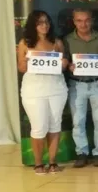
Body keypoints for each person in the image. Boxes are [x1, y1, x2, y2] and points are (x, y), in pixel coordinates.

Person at [17, 10, 69, 175]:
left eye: (46, 22)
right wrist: (26, 61)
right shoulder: (25, 43)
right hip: (34, 91)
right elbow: (21, 68)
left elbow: (63, 65)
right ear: (33, 25)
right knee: (39, 127)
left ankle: (53, 162)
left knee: (55, 125)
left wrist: (64, 63)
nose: (44, 25)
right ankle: (38, 163)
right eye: (40, 22)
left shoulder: (57, 42)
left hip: (56, 89)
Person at [64, 8, 98, 168]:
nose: (83, 24)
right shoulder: (67, 39)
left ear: (92, 20)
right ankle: (81, 152)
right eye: (79, 20)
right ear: (74, 22)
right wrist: (68, 66)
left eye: (87, 20)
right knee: (78, 121)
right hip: (77, 84)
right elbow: (64, 61)